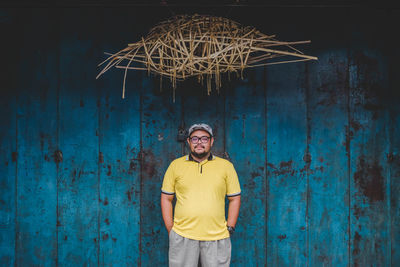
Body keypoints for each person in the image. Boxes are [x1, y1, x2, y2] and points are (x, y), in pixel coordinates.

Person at [161, 123, 241, 267]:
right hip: (182, 235)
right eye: (195, 139)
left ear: (212, 141)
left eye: (204, 139)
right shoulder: (175, 166)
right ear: (188, 142)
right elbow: (166, 199)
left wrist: (230, 227)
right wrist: (171, 230)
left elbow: (234, 198)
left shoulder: (226, 167)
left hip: (217, 236)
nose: (199, 143)